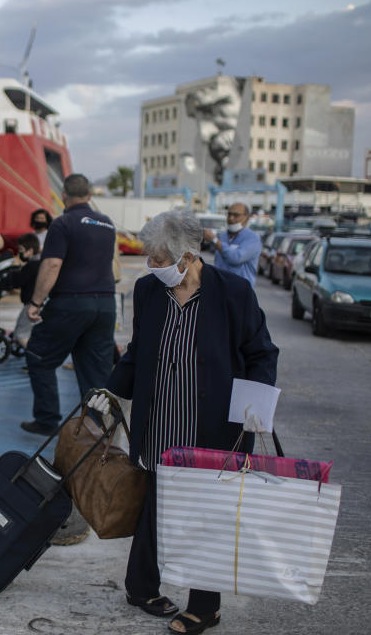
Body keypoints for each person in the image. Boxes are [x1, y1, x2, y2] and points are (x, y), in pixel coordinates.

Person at [97, 209, 278, 634]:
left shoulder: (233, 292)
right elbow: (139, 352)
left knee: (207, 516)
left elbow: (262, 353)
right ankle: (141, 587)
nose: (153, 266)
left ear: (189, 255)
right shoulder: (147, 291)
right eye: (151, 258)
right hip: (161, 422)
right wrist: (108, 392)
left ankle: (205, 607)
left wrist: (256, 403)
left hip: (213, 428)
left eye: (161, 259)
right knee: (155, 505)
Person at [21, 173, 116, 436]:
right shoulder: (107, 224)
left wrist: (35, 302)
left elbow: (52, 264)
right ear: (90, 195)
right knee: (96, 370)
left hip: (71, 303)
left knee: (39, 357)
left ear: (63, 196)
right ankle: (98, 429)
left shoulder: (63, 223)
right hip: (106, 304)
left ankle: (47, 419)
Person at [202, 202, 261, 286]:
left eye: (236, 215)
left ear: (247, 218)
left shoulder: (252, 238)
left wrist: (215, 240)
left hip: (240, 290)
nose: (231, 218)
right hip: (220, 288)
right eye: (229, 214)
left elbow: (236, 258)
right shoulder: (223, 236)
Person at [8, 232, 41, 348]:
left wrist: (15, 267)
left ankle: (35, 360)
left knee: (21, 334)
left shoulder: (31, 266)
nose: (19, 253)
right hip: (41, 303)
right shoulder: (41, 263)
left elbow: (17, 282)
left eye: (21, 250)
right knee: (29, 332)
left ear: (30, 251)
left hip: (30, 304)